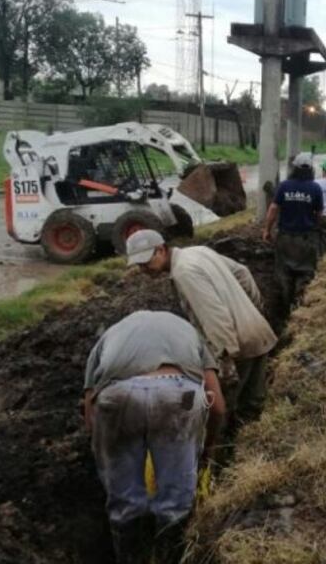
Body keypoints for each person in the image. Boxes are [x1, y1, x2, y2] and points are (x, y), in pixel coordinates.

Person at [83, 310, 225, 564]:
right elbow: (218, 408)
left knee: (124, 503)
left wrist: (106, 444)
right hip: (180, 396)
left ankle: (129, 555)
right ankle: (170, 554)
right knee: (176, 503)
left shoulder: (109, 336)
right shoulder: (190, 333)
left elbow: (90, 408)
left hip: (117, 396)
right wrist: (207, 448)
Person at [124, 230, 277, 428]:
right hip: (256, 332)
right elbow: (242, 273)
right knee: (253, 403)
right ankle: (252, 438)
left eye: (145, 262)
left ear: (161, 250)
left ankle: (230, 444)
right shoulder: (198, 251)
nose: (143, 269)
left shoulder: (184, 272)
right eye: (139, 265)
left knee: (227, 411)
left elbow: (214, 316)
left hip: (237, 346)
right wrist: (254, 311)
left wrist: (225, 358)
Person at [262, 152, 323, 305]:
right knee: (305, 273)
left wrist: (267, 230)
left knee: (284, 273)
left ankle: (285, 304)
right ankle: (299, 304)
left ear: (294, 168)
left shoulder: (284, 186)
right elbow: (319, 214)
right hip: (306, 239)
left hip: (285, 238)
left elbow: (273, 209)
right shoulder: (315, 188)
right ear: (311, 169)